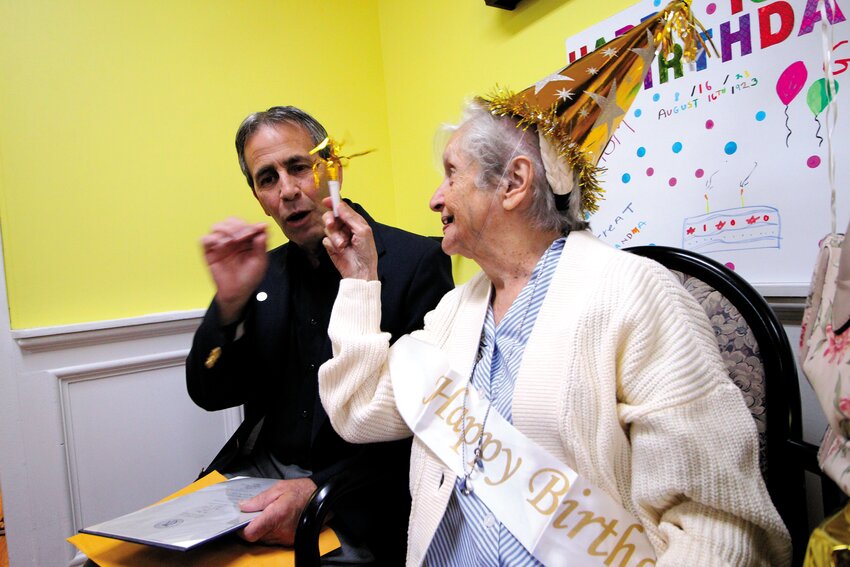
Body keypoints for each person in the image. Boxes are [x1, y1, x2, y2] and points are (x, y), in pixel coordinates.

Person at [317, 4, 792, 565]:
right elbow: (357, 409)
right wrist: (359, 278)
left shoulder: (636, 294)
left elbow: (718, 527)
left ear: (514, 183)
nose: (434, 198)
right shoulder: (452, 313)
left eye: (450, 173)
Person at [185, 105, 453, 564]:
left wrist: (316, 490)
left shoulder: (415, 262)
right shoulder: (261, 274)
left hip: (356, 496)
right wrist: (229, 306)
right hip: (258, 477)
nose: (288, 190)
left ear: (333, 169)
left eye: (298, 167)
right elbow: (208, 392)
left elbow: (428, 422)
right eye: (267, 178)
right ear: (257, 196)